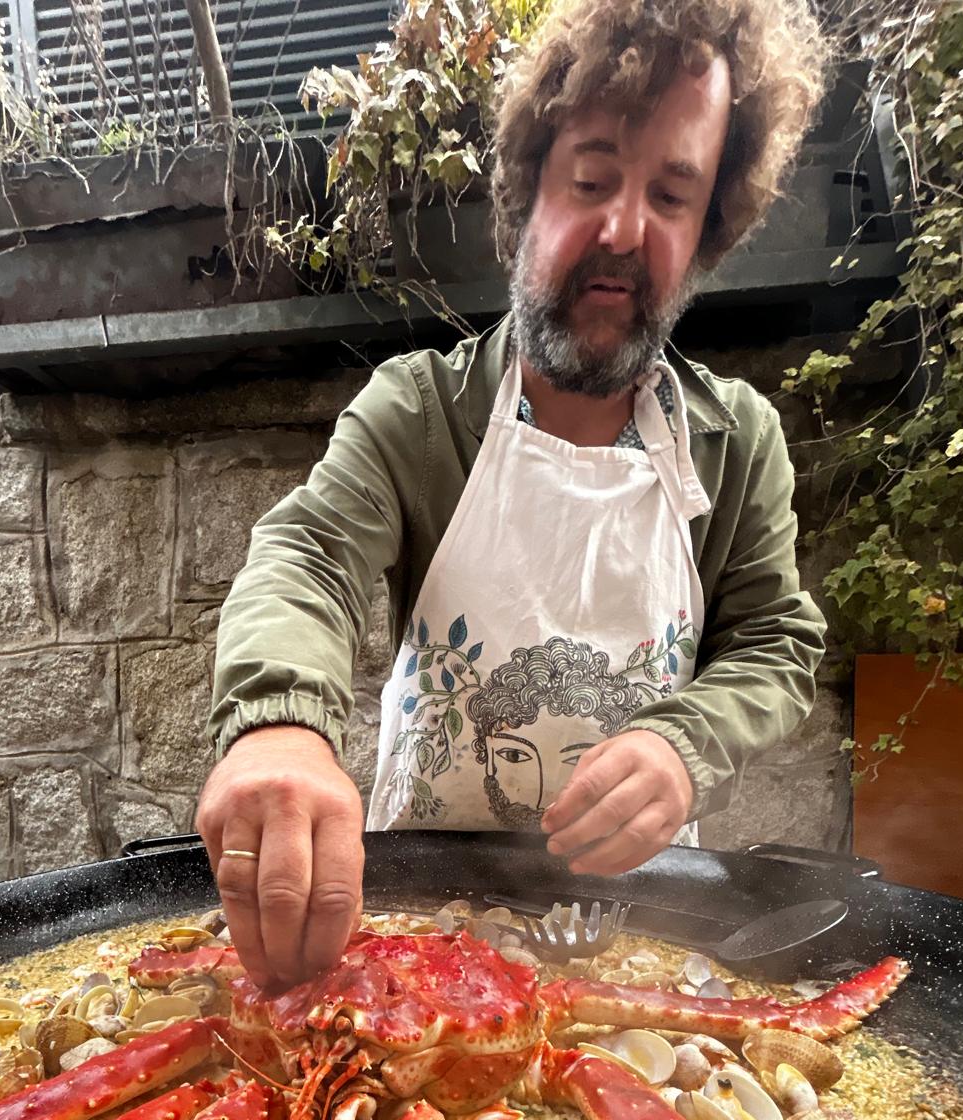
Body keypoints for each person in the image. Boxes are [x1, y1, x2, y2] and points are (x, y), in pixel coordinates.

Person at [197, 0, 829, 990]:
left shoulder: (737, 440)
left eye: (673, 196)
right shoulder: (418, 412)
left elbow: (776, 642)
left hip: (640, 925)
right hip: (413, 923)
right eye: (592, 179)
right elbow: (310, 555)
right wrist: (282, 721)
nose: (624, 227)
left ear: (710, 229)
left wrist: (684, 741)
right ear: (527, 190)